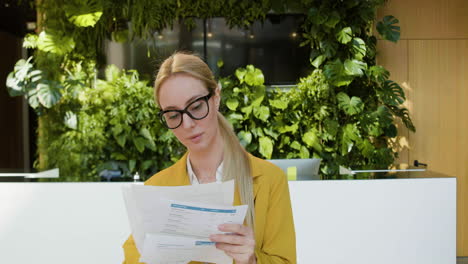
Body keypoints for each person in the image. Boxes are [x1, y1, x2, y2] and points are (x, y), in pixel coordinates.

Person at [122, 52, 296, 264]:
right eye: (173, 115)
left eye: (196, 107)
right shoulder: (156, 188)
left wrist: (252, 260)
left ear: (216, 97)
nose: (187, 125)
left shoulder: (269, 180)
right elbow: (132, 257)